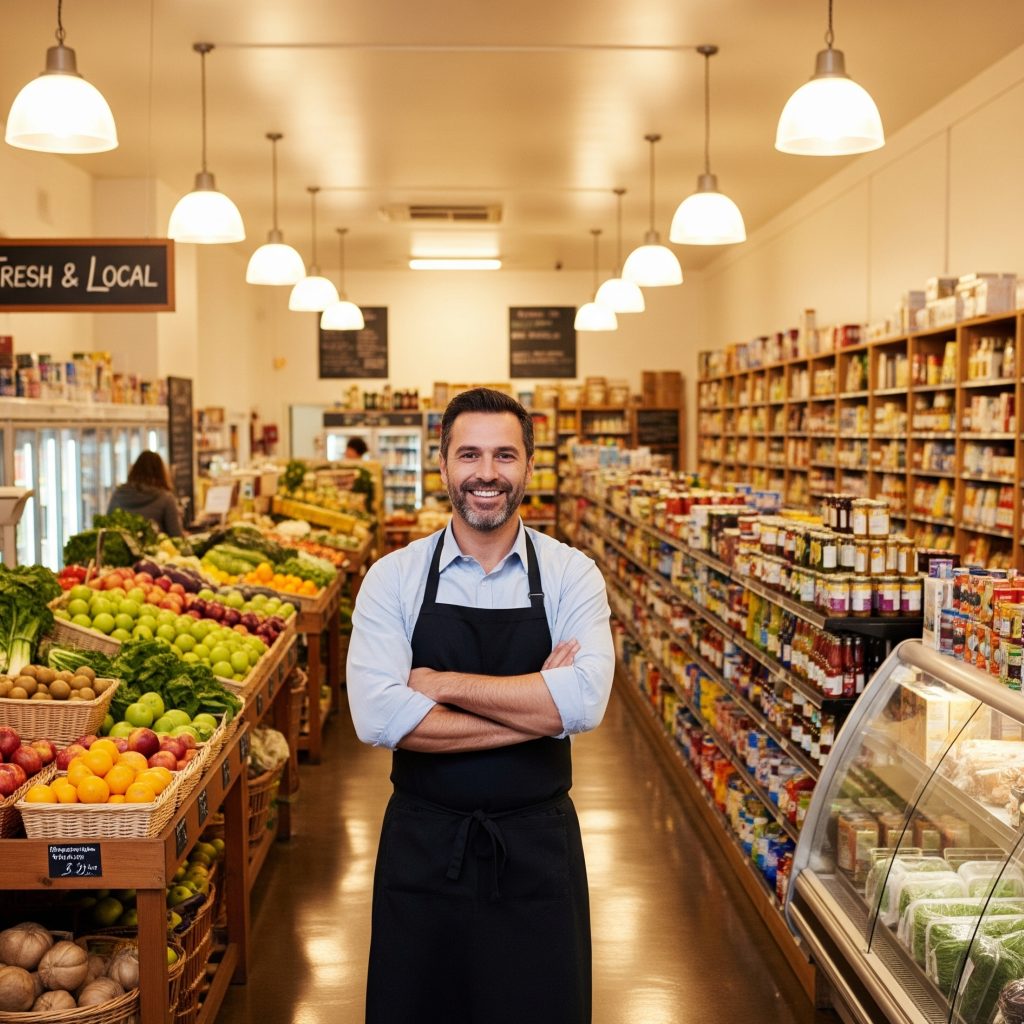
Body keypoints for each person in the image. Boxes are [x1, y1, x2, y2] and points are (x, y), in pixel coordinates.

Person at [348, 387, 614, 1024]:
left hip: (538, 855)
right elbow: (378, 717)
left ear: (529, 467)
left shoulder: (572, 574)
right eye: (469, 455)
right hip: (423, 850)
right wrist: (538, 710)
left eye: (505, 455)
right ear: (442, 465)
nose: (486, 473)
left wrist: (439, 683)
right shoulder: (394, 577)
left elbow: (584, 702)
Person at [106, 450, 184, 538]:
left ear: (134, 470)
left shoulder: (118, 495)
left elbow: (107, 530)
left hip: (122, 547)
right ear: (161, 472)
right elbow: (177, 536)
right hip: (155, 546)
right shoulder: (166, 499)